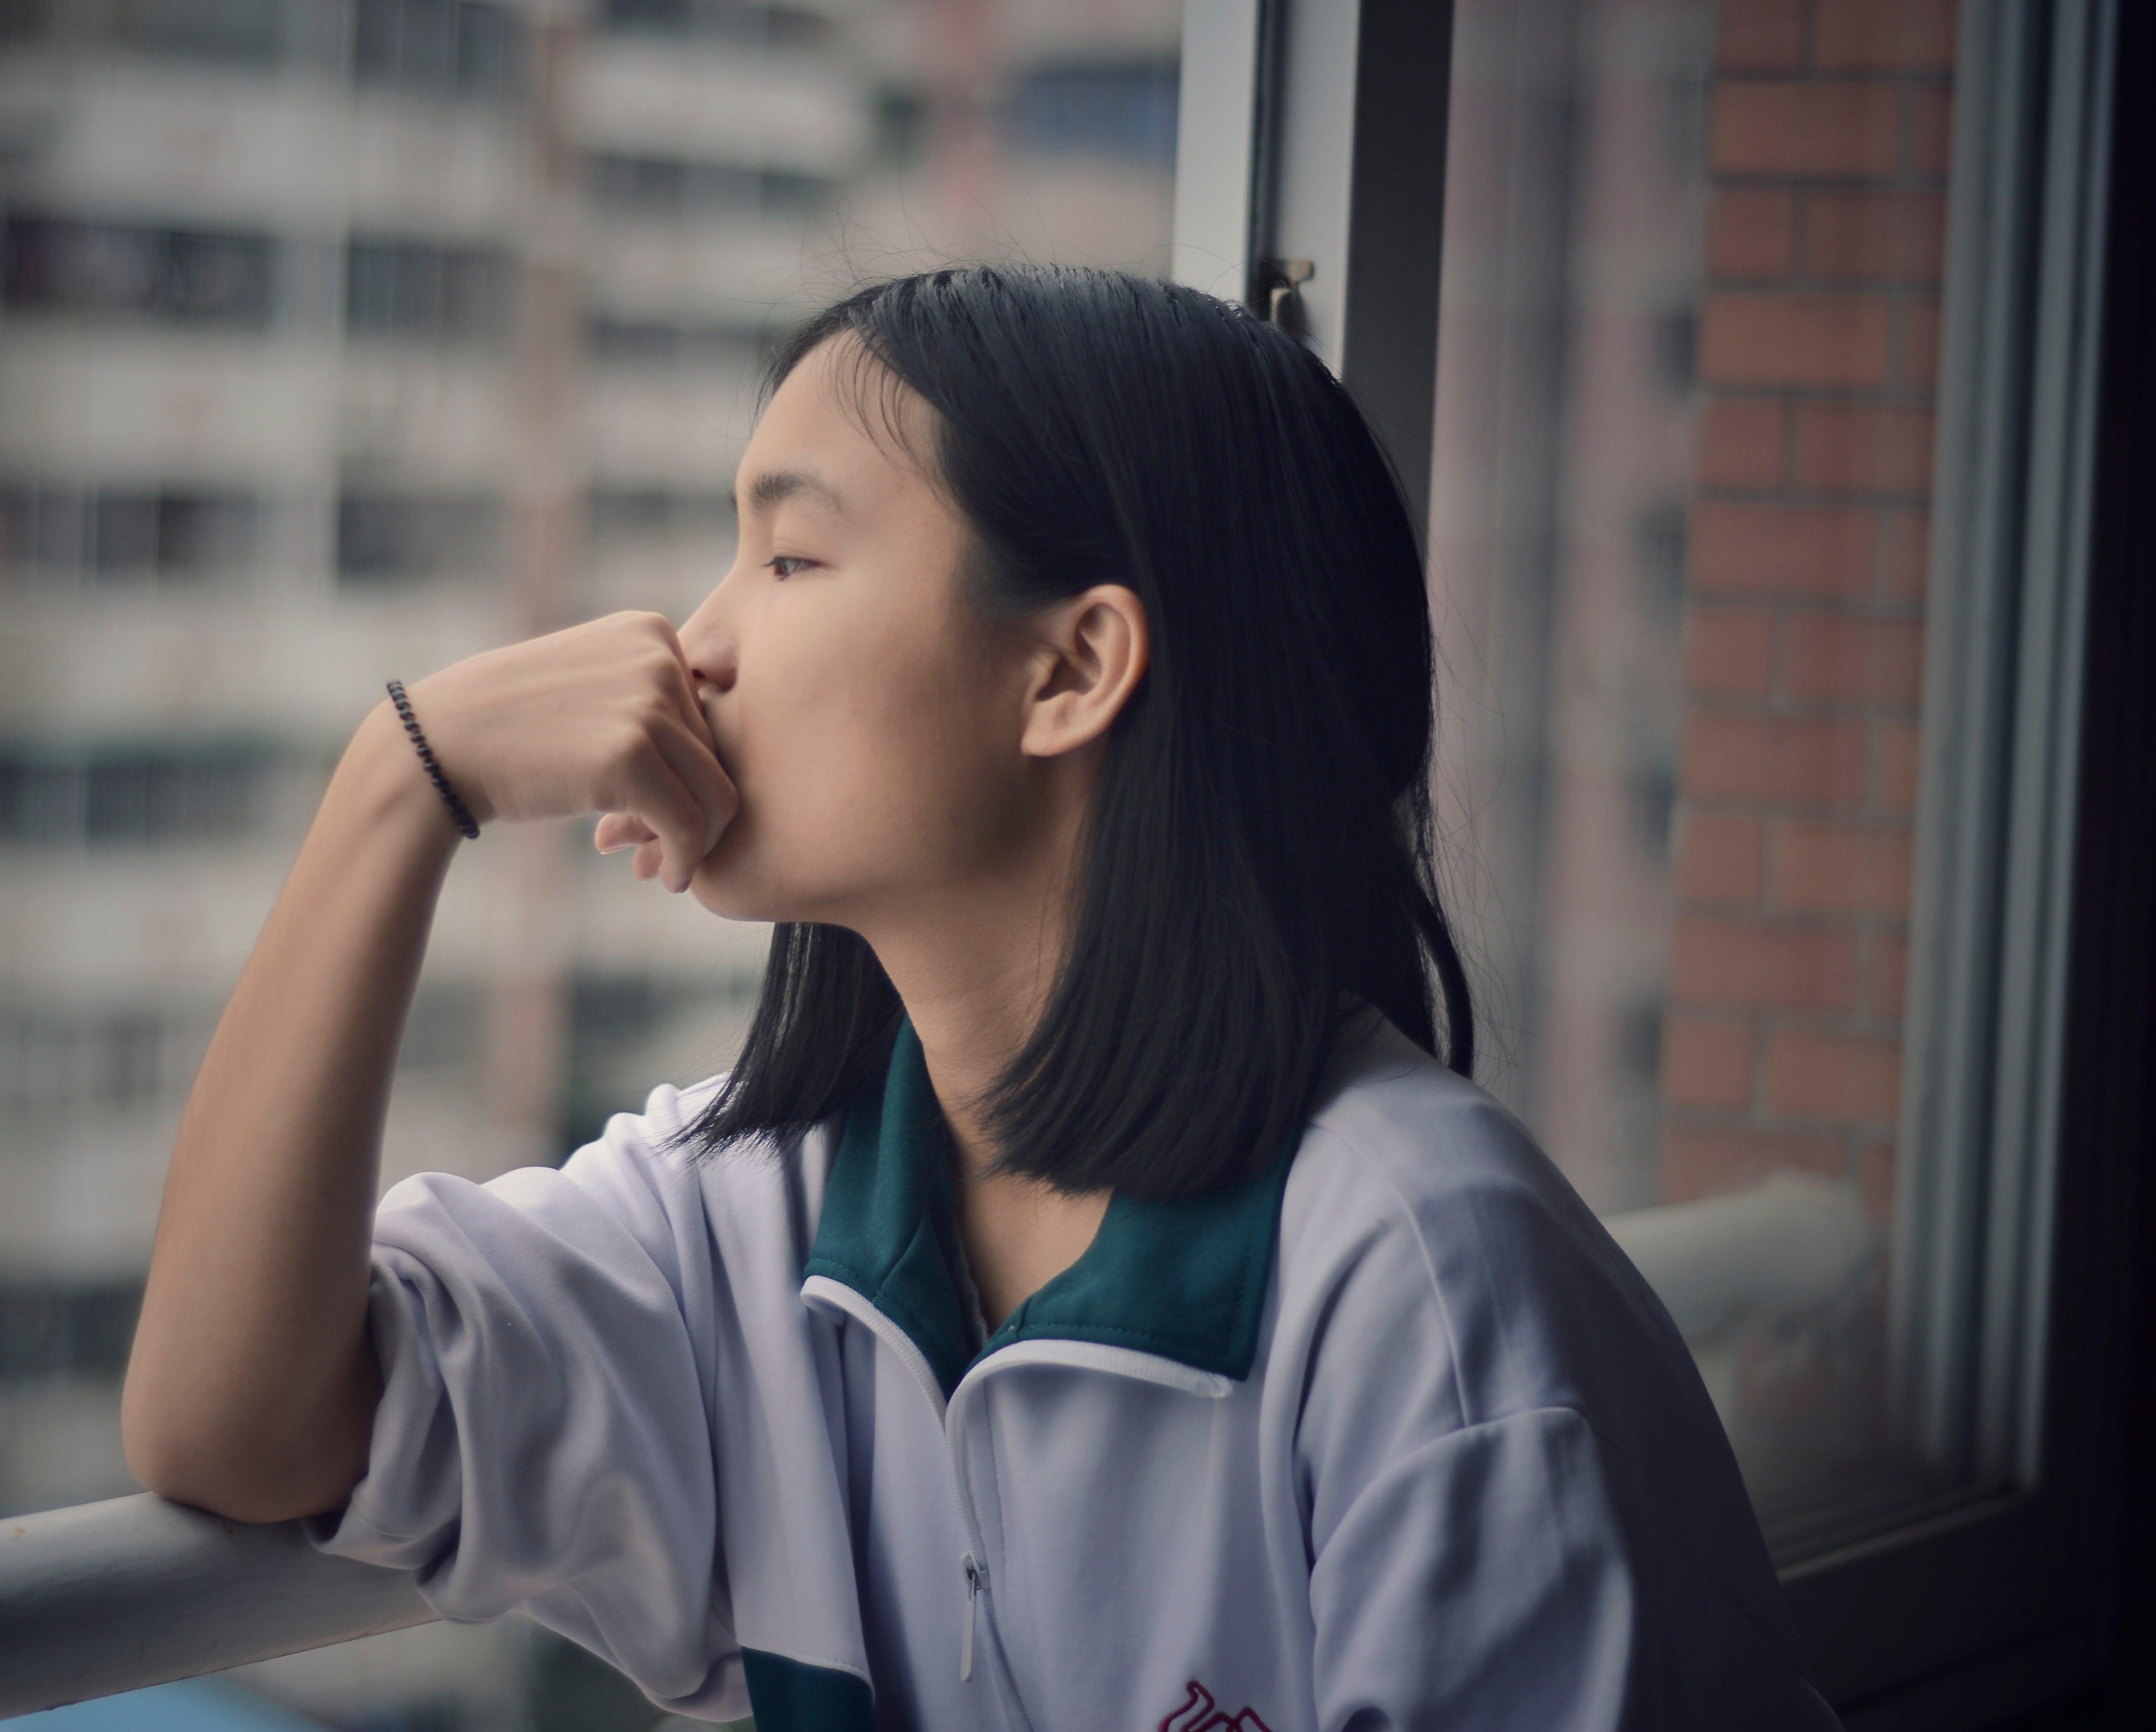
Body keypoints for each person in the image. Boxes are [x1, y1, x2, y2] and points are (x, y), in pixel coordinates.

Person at [120, 266, 1839, 1731]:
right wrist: (398, 779)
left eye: (789, 561)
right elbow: (237, 1422)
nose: (688, 648)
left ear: (1074, 667)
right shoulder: (749, 1218)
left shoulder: (1427, 1288)